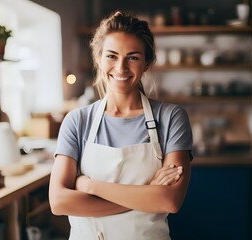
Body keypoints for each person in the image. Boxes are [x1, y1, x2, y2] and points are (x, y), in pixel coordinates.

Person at [49, 11, 193, 240]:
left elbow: (169, 200)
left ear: (147, 63)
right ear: (98, 58)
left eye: (133, 57)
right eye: (112, 56)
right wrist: (146, 195)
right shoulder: (77, 121)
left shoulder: (171, 118)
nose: (121, 67)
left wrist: (89, 186)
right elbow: (58, 202)